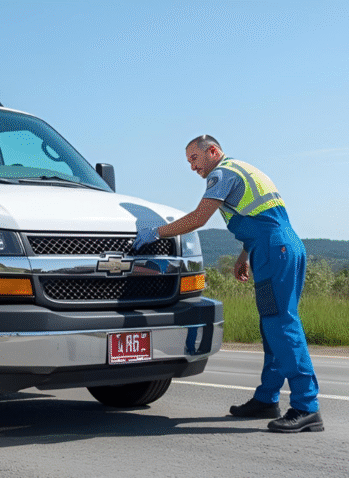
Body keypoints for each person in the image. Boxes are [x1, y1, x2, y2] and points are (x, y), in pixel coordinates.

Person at [132, 135, 322, 433]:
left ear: (213, 151)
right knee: (273, 325)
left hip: (273, 250)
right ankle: (266, 399)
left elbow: (199, 218)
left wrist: (157, 232)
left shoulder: (221, 174)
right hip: (283, 247)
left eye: (194, 158)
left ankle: (306, 406)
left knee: (281, 325)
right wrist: (245, 254)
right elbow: (263, 218)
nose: (192, 167)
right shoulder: (244, 169)